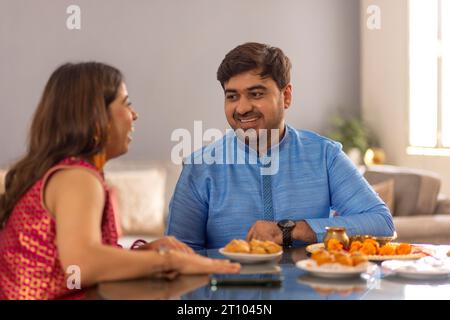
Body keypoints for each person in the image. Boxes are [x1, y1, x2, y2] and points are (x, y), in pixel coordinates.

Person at [0, 62, 240, 300]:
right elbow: (82, 264)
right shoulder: (77, 178)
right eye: (126, 104)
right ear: (97, 119)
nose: (134, 115)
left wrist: (145, 251)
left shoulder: (70, 173)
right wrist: (169, 261)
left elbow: (78, 258)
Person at [166, 42, 395, 250]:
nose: (242, 108)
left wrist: (294, 229)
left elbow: (380, 222)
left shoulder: (325, 156)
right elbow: (178, 255)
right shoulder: (200, 167)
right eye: (232, 97)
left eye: (256, 94)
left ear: (286, 96)